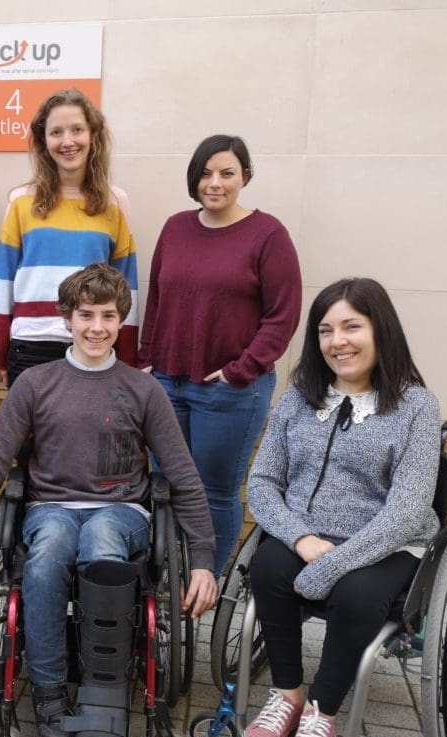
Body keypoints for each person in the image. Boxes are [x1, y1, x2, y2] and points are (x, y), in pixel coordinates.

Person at [0, 264, 218, 737]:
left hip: (120, 512)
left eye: (107, 315)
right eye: (85, 315)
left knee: (100, 544)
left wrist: (202, 558)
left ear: (121, 321)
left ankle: (106, 694)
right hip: (50, 506)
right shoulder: (35, 383)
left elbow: (181, 474)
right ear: (66, 318)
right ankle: (52, 697)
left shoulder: (144, 390)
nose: (96, 327)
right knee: (51, 548)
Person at [240, 277, 441, 737]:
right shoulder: (300, 396)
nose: (338, 341)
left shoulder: (416, 405)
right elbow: (263, 481)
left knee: (356, 594)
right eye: (326, 330)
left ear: (380, 330)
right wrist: (301, 538)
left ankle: (322, 713)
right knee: (268, 567)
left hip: (389, 541)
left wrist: (334, 565)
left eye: (352, 326)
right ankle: (288, 693)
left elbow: (409, 508)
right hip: (307, 532)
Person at [138, 135, 302, 576]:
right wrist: (146, 361)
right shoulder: (175, 227)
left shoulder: (268, 235)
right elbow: (155, 299)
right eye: (206, 173)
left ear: (244, 177)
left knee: (214, 492)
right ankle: (169, 579)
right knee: (166, 487)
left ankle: (209, 582)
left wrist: (241, 370)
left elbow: (282, 317)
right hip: (166, 385)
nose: (215, 183)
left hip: (230, 392)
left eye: (227, 173)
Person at [0, 88, 138, 388]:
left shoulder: (114, 203)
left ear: (93, 135)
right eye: (56, 132)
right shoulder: (21, 201)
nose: (67, 141)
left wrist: (128, 356)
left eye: (77, 130)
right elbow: (3, 280)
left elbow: (126, 287)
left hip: (93, 346)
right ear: (44, 141)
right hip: (31, 346)